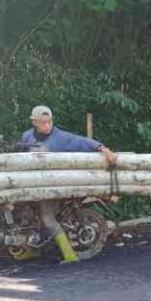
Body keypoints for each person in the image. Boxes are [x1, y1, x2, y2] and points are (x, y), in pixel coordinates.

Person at [21, 105, 118, 263]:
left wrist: (104, 149)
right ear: (34, 122)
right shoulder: (27, 137)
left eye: (49, 122)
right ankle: (32, 249)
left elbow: (83, 142)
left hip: (53, 186)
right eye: (43, 122)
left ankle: (70, 255)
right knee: (28, 215)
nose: (47, 125)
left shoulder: (61, 138)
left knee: (47, 217)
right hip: (31, 186)